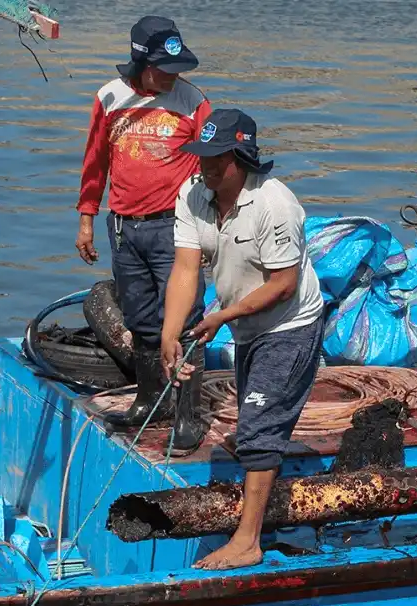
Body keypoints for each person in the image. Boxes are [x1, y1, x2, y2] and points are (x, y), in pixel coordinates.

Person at [162, 108, 325, 569]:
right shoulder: (193, 194)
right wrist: (169, 333)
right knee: (255, 418)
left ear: (243, 158)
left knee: (258, 427)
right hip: (247, 325)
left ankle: (248, 542)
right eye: (203, 156)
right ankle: (260, 481)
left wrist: (223, 316)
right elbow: (186, 268)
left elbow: (283, 285)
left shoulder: (275, 204)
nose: (207, 166)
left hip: (289, 325)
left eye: (219, 158)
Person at [74, 16, 211, 447]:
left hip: (176, 229)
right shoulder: (109, 98)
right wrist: (86, 218)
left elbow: (216, 162)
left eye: (177, 69)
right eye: (164, 70)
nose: (173, 77)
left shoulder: (193, 101)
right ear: (141, 63)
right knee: (141, 320)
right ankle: (152, 400)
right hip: (124, 229)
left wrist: (214, 228)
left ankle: (188, 415)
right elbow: (95, 162)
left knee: (185, 321)